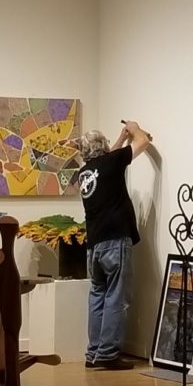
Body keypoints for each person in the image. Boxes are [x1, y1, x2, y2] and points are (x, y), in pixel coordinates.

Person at [79, 120, 152, 370]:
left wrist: (121, 138)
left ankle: (94, 352)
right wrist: (134, 128)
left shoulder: (86, 173)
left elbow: (107, 158)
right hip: (114, 241)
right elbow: (143, 142)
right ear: (103, 147)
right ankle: (109, 354)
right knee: (116, 298)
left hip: (94, 246)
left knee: (98, 296)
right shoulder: (111, 163)